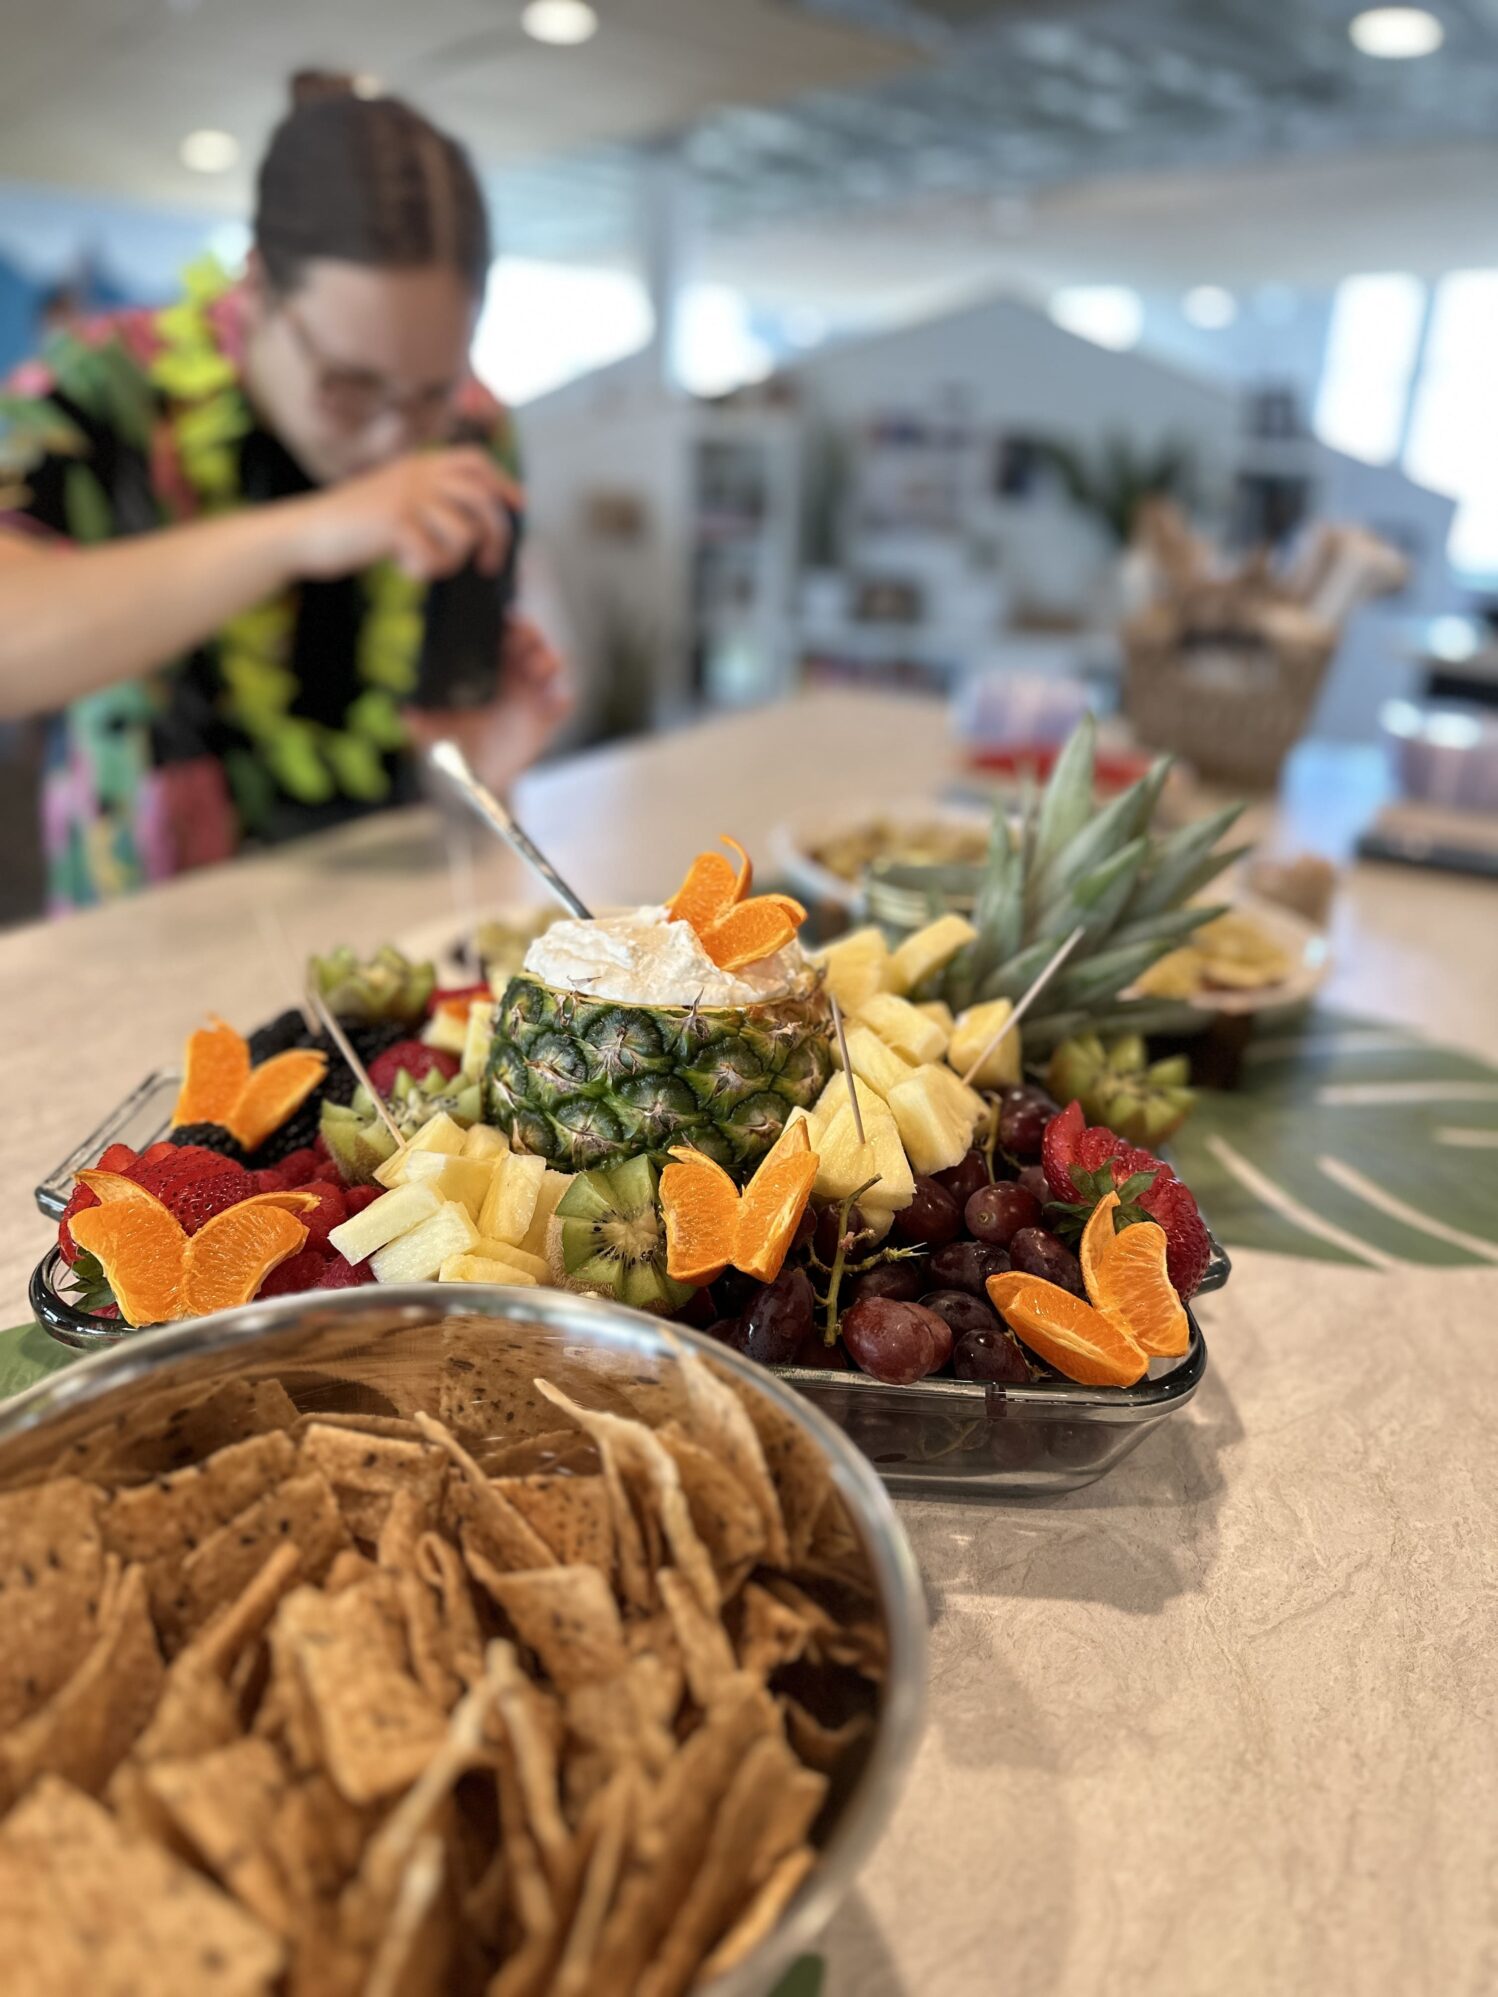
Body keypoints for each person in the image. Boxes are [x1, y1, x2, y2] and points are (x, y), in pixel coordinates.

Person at [0, 73, 571, 911]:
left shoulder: (475, 431)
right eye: (347, 386)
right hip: (140, 926)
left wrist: (486, 766)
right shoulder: (97, 387)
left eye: (428, 393)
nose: (392, 439)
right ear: (257, 286)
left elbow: (457, 791)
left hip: (392, 919)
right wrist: (304, 531)